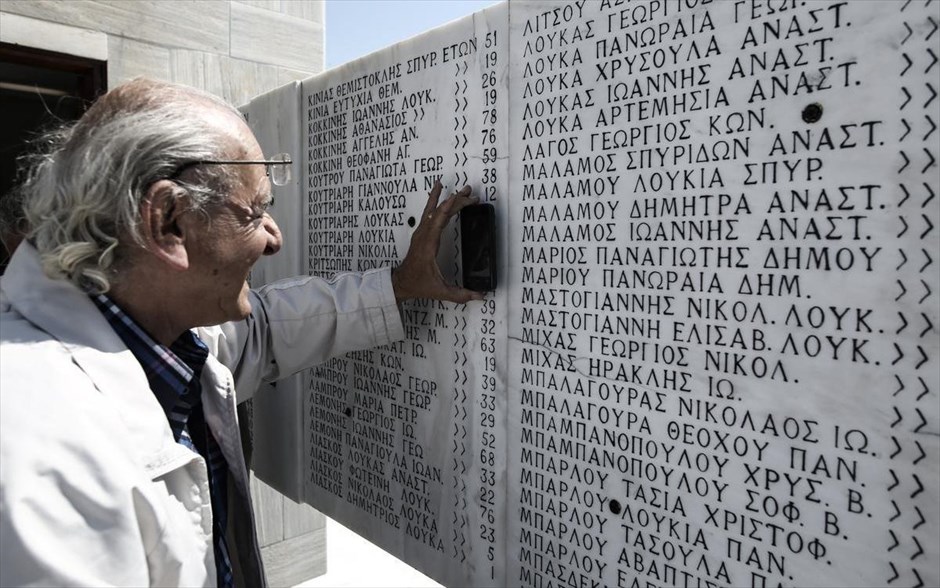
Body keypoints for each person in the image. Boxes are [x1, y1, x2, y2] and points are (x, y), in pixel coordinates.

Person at [0, 77, 483, 587]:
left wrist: (402, 285)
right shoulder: (39, 446)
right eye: (254, 213)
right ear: (168, 222)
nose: (275, 238)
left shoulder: (163, 335)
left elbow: (267, 329)